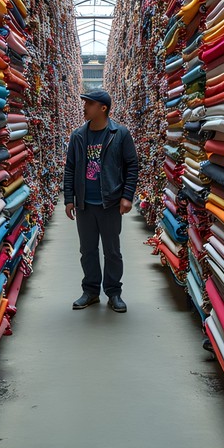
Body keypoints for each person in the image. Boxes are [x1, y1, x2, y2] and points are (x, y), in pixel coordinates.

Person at [62, 89, 139, 313]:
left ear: (103, 108)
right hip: (85, 204)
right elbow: (70, 169)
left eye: (89, 103)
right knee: (87, 250)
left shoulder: (120, 134)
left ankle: (114, 292)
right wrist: (69, 199)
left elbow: (131, 166)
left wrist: (127, 196)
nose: (84, 107)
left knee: (112, 251)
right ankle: (91, 291)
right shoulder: (78, 135)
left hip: (110, 203)